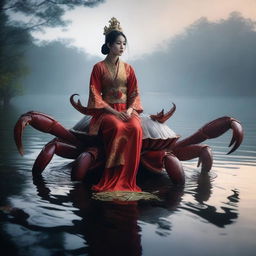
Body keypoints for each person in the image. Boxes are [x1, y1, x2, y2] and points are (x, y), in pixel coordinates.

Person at [85, 17, 143, 192]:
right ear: (109, 45)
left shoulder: (129, 68)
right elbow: (95, 93)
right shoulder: (98, 67)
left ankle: (128, 179)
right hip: (107, 111)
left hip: (127, 110)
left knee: (136, 128)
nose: (122, 47)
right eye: (118, 43)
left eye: (124, 44)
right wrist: (115, 113)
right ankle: (112, 178)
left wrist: (130, 110)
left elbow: (134, 92)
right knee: (117, 128)